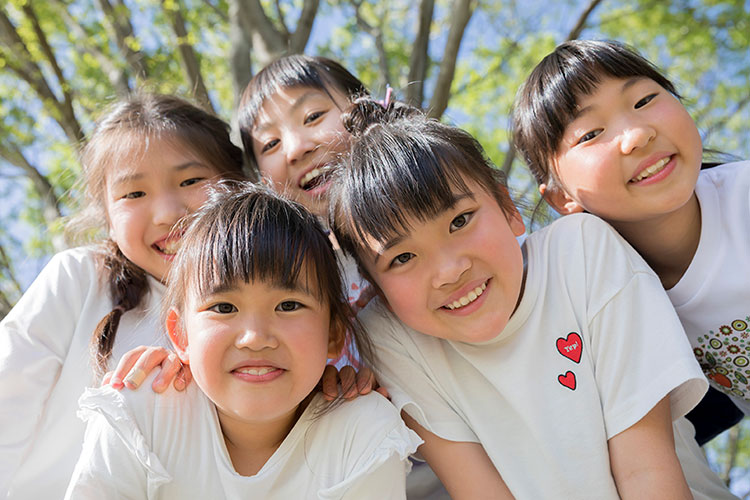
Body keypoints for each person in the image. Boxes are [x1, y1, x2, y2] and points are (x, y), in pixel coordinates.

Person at [328, 97, 708, 499]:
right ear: (374, 286)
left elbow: (646, 472)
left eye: (460, 221)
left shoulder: (579, 254)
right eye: (402, 257)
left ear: (508, 206)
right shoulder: (392, 337)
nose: (450, 271)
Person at [64, 182, 421, 499]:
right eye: (223, 307)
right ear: (181, 335)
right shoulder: (140, 414)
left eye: (288, 305)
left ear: (333, 333)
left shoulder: (363, 431)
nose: (255, 338)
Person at [512, 38, 747, 494]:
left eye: (644, 100)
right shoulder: (597, 293)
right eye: (591, 134)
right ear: (562, 197)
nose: (637, 134)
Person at [0, 93, 246, 499]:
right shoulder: (82, 280)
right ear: (107, 218)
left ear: (236, 186)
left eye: (190, 181)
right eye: (134, 194)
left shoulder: (266, 313)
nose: (167, 213)